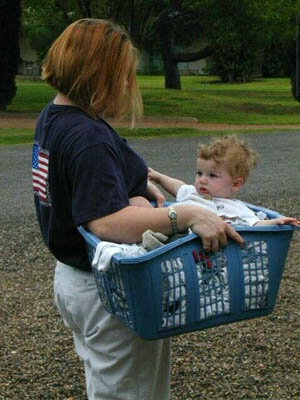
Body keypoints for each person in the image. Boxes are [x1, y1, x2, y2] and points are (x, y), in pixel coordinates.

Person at [31, 19, 244, 400]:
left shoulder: (56, 116)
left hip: (73, 279)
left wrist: (132, 183)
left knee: (110, 386)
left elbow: (74, 182)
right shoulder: (88, 137)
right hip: (109, 290)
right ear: (98, 74)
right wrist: (187, 215)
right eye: (123, 75)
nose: (129, 85)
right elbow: (108, 223)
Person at [148, 135, 300, 228]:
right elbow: (177, 186)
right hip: (172, 235)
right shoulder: (192, 193)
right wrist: (158, 177)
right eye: (199, 173)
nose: (202, 180)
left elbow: (256, 225)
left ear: (236, 184)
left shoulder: (236, 209)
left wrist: (276, 222)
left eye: (212, 176)